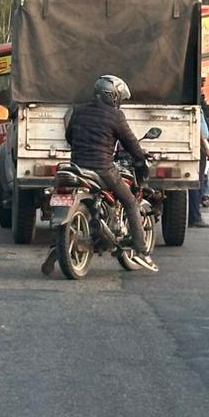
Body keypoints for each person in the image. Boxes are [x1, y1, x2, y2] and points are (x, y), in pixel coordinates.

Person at [63, 74, 157, 272]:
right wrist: (141, 156)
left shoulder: (79, 111)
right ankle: (142, 252)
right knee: (131, 202)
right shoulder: (116, 116)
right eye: (119, 97)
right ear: (112, 96)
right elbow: (131, 143)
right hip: (102, 169)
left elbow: (69, 137)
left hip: (76, 167)